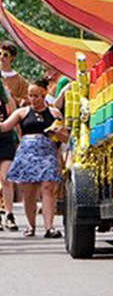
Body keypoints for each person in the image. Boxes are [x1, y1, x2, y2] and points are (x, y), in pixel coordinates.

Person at [0, 80, 69, 237]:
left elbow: (66, 138)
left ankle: (49, 227)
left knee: (47, 188)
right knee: (29, 192)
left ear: (44, 94)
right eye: (30, 96)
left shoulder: (54, 114)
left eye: (36, 96)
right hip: (27, 154)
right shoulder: (22, 113)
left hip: (47, 153)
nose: (33, 99)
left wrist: (58, 133)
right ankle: (31, 225)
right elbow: (5, 127)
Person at [0, 82, 18, 231]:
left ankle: (9, 214)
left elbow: (14, 115)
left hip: (5, 139)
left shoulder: (5, 96)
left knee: (6, 177)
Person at [0, 41, 28, 106]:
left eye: (5, 55)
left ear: (13, 57)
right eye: (0, 53)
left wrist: (12, 97)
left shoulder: (21, 81)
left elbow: (26, 102)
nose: (1, 57)